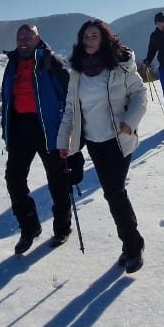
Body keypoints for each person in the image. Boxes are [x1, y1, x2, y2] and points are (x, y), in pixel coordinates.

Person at [57, 18, 147, 272]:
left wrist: (130, 122)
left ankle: (133, 246)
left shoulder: (119, 66)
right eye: (85, 37)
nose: (89, 41)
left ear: (104, 38)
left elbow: (140, 94)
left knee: (114, 192)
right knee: (112, 193)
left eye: (94, 36)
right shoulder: (77, 72)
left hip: (119, 139)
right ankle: (132, 242)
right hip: (94, 143)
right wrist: (64, 142)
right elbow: (71, 109)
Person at [1, 23, 72, 255]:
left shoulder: (50, 61)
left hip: (47, 128)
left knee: (57, 179)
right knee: (14, 179)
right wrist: (6, 128)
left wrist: (70, 130)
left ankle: (62, 228)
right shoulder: (12, 63)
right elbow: (7, 98)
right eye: (20, 37)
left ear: (38, 38)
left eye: (28, 36)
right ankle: (29, 227)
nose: (23, 40)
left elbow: (70, 95)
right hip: (20, 127)